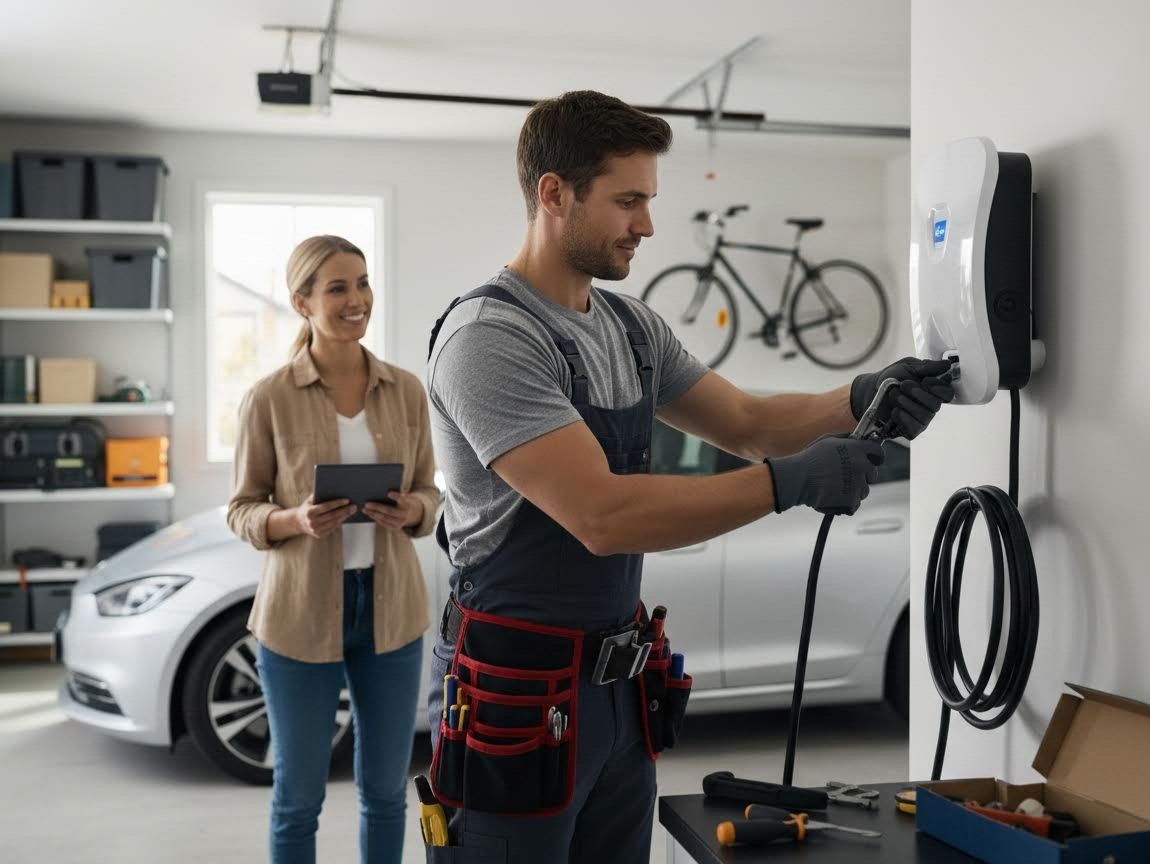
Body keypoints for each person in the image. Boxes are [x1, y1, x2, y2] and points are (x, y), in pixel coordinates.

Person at [424, 91, 953, 863]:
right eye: (627, 200)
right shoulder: (489, 339)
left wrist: (857, 395)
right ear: (553, 194)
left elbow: (745, 422)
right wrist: (788, 484)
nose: (646, 224)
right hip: (517, 697)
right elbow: (601, 515)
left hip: (618, 696)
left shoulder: (632, 328)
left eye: (648, 200)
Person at [227, 235, 439, 864]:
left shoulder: (405, 390)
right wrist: (293, 518)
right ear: (302, 302)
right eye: (339, 288)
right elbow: (241, 509)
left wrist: (414, 510)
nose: (357, 300)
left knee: (385, 793)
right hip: (296, 617)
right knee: (298, 798)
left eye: (364, 283)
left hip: (391, 609)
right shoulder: (269, 398)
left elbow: (430, 490)